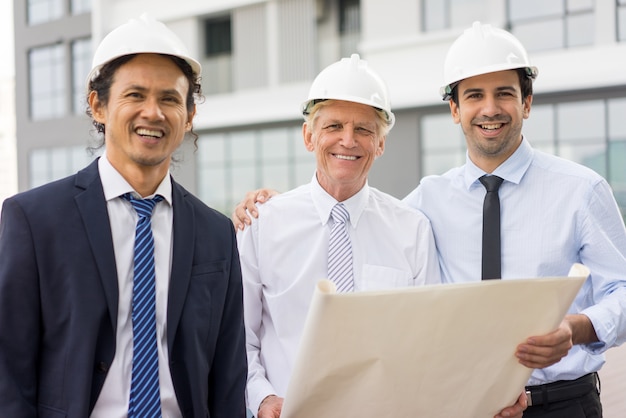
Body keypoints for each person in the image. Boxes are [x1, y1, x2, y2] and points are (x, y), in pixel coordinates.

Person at [233, 22, 626, 418]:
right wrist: (278, 210)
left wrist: (575, 328)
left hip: (562, 403)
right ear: (455, 109)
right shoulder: (424, 204)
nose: (489, 108)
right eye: (474, 96)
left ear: (526, 102)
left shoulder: (581, 190)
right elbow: (348, 208)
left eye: (504, 93)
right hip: (465, 405)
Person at [0, 14, 247, 418]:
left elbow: (228, 377)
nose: (153, 112)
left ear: (189, 116)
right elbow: (9, 372)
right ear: (98, 106)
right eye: (135, 95)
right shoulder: (33, 220)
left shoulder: (216, 233)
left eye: (169, 98)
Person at [239, 54, 442, 418]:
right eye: (334, 126)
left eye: (364, 130)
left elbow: (425, 342)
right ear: (309, 136)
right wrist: (262, 397)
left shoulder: (412, 229)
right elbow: (240, 336)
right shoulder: (262, 224)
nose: (348, 141)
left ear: (380, 144)